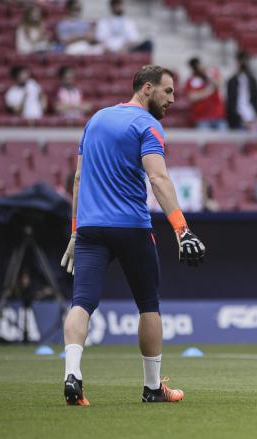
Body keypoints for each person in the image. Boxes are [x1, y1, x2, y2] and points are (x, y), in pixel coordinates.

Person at [59, 65, 205, 406]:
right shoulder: (147, 125)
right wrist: (182, 230)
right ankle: (153, 388)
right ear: (147, 88)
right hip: (131, 228)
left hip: (91, 230)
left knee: (81, 303)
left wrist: (74, 231)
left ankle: (73, 374)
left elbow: (78, 179)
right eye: (167, 91)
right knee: (149, 306)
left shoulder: (94, 120)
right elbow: (158, 179)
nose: (172, 99)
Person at [185, 57, 226, 129]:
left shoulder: (211, 74)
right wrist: (209, 90)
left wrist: (208, 76)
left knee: (222, 139)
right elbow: (193, 97)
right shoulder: (191, 80)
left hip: (217, 115)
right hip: (202, 117)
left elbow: (219, 84)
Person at [226, 51, 257, 130]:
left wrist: (256, 115)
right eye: (242, 61)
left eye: (246, 61)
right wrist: (239, 119)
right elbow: (230, 102)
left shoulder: (252, 81)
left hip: (252, 117)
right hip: (237, 120)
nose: (244, 64)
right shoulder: (232, 81)